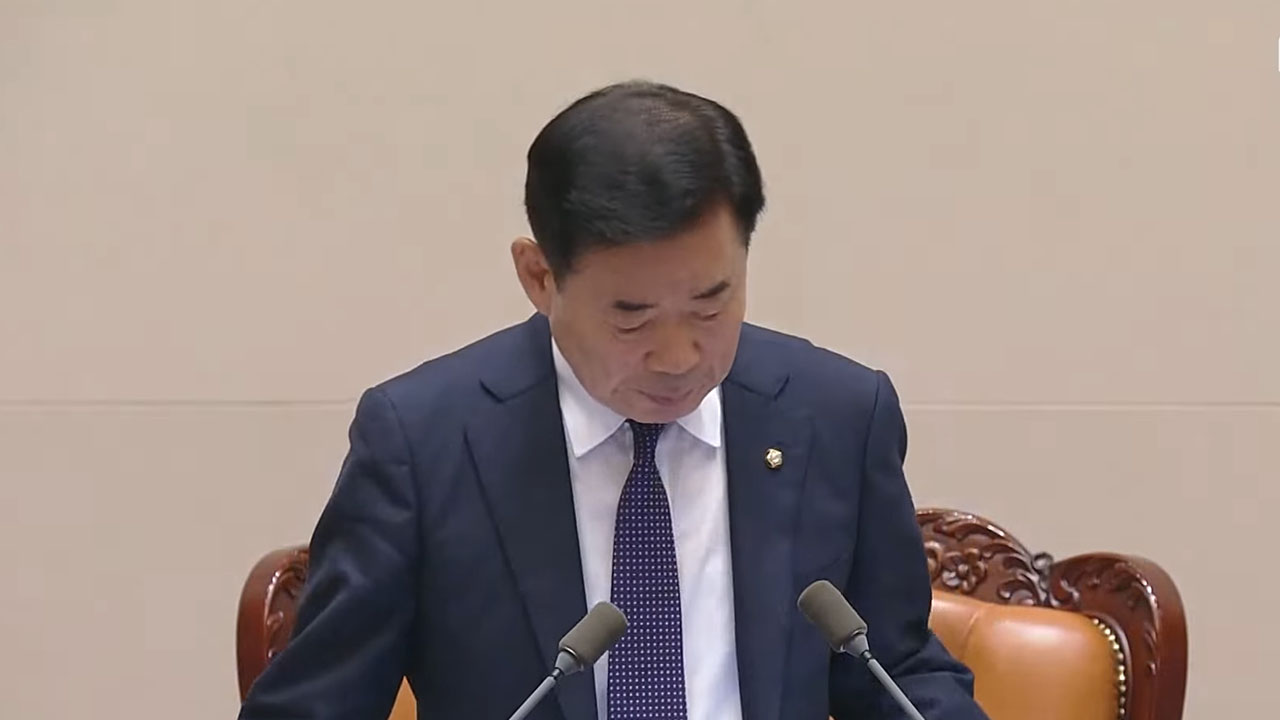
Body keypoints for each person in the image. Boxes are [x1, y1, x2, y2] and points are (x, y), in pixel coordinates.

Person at [238, 80, 989, 720]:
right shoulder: (424, 444)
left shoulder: (837, 417)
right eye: (632, 317)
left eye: (711, 303)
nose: (679, 357)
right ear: (539, 277)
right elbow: (316, 704)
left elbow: (893, 668)